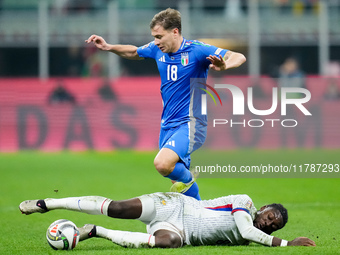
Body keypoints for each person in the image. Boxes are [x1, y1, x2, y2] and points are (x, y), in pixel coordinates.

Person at [85, 8, 246, 200]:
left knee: (162, 164)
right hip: (167, 125)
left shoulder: (196, 50)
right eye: (154, 37)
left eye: (159, 36)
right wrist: (108, 47)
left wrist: (224, 65)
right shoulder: (157, 49)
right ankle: (200, 214)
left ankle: (190, 181)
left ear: (175, 31)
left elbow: (238, 56)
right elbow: (134, 52)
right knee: (175, 179)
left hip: (191, 123)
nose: (156, 41)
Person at [19, 192, 315, 248]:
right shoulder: (244, 203)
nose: (268, 224)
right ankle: (48, 203)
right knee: (118, 208)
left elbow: (251, 235)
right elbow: (247, 230)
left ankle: (95, 232)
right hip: (173, 205)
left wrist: (274, 240)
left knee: (168, 243)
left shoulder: (253, 236)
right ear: (263, 208)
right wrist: (285, 242)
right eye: (270, 217)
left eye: (273, 226)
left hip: (178, 230)